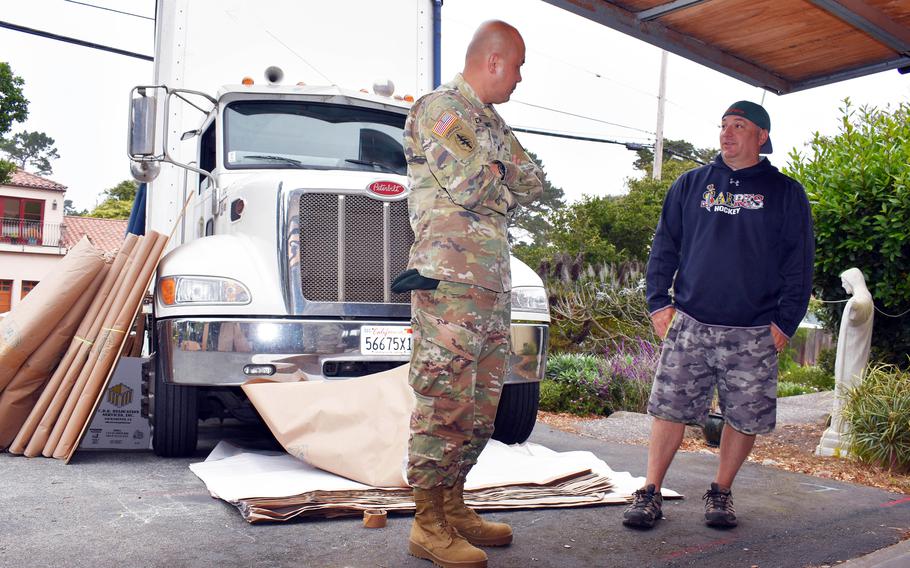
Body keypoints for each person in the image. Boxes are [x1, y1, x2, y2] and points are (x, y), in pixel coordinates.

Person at [623, 100, 814, 530]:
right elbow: (664, 245)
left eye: (739, 126)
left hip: (752, 331)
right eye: (723, 125)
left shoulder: (785, 193)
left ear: (761, 137)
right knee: (669, 409)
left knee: (744, 416)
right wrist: (658, 302)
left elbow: (799, 264)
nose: (727, 133)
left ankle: (720, 492)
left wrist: (785, 322)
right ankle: (650, 492)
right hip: (690, 321)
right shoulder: (691, 185)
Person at [395, 20, 543, 568]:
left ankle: (454, 505)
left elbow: (535, 181)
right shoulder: (441, 110)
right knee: (444, 401)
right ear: (495, 61)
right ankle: (427, 523)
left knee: (480, 408)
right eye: (519, 66)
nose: (521, 79)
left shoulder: (491, 123)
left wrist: (497, 166)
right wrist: (498, 169)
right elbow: (471, 183)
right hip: (449, 282)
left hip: (488, 285)